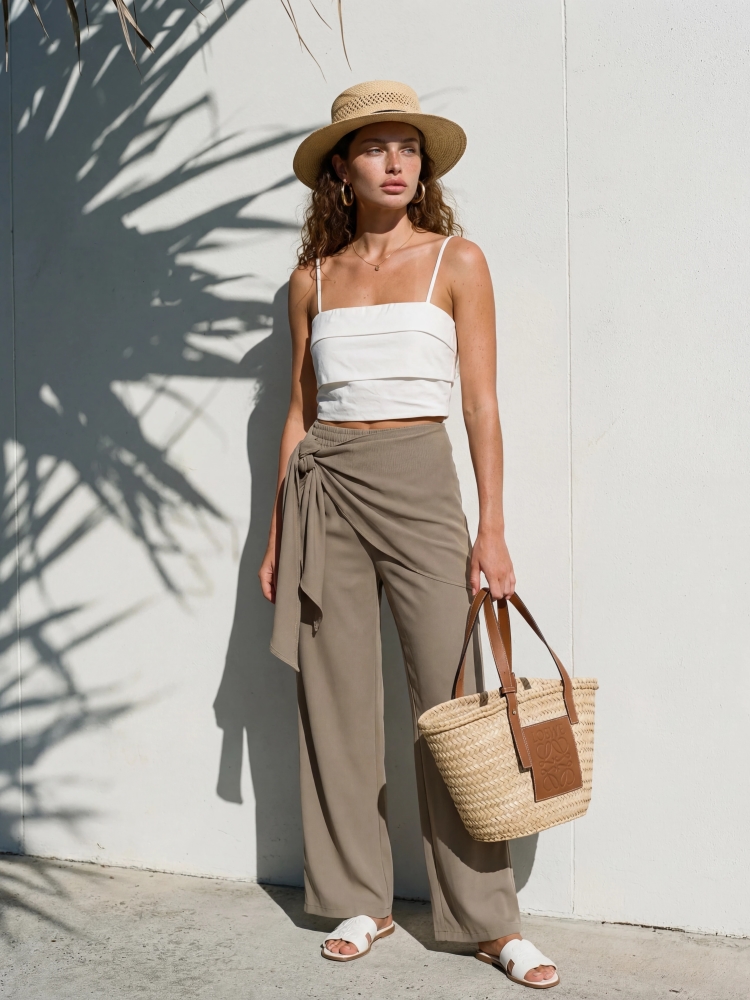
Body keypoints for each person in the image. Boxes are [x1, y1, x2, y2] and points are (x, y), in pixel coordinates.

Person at [259, 80, 559, 990]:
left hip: (422, 483)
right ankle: (360, 897)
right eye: (374, 147)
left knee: (451, 702)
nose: (395, 162)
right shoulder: (310, 281)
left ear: (422, 167)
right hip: (326, 489)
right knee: (336, 702)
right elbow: (299, 414)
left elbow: (481, 406)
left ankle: (487, 921)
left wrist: (492, 527)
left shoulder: (456, 261)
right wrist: (276, 535)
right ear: (341, 170)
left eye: (408, 147)